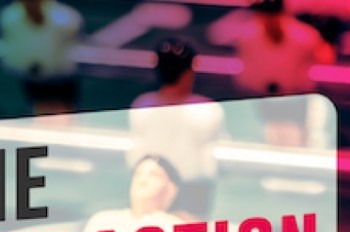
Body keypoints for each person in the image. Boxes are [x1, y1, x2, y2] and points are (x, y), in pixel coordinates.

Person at [129, 40, 223, 215]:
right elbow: (213, 161)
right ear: (189, 72)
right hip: (193, 191)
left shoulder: (142, 105)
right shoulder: (208, 110)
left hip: (153, 188)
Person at [211, 0, 331, 99]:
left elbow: (326, 57)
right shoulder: (246, 33)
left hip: (293, 99)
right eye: (265, 14)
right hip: (254, 97)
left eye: (273, 14)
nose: (269, 20)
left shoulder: (304, 36)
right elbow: (215, 34)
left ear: (282, 13)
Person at [0, 0, 78, 115]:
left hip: (62, 82)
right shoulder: (9, 17)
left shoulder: (66, 18)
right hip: (28, 81)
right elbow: (10, 55)